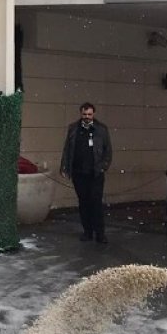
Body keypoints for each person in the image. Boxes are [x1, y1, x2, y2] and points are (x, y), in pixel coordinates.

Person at [60, 103, 114, 244]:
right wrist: (65, 167)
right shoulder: (73, 129)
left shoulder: (101, 130)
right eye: (84, 114)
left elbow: (107, 151)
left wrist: (103, 167)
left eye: (89, 114)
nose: (87, 117)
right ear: (81, 114)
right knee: (83, 203)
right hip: (79, 173)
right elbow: (67, 149)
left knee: (96, 203)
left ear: (93, 114)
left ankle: (100, 234)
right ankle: (87, 232)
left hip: (95, 173)